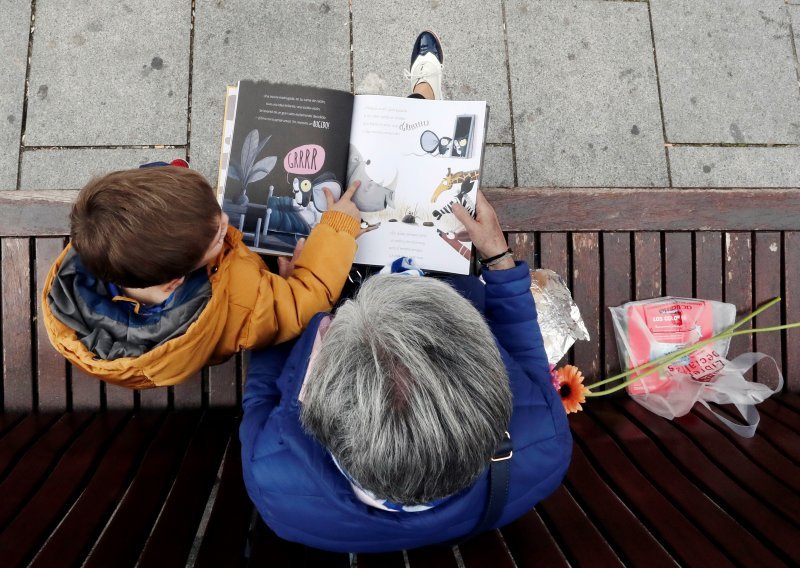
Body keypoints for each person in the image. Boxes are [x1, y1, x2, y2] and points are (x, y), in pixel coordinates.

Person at [240, 181, 572, 551]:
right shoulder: (547, 443)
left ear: (321, 411)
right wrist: (497, 257)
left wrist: (287, 304)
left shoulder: (270, 475)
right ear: (494, 386)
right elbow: (525, 356)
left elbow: (261, 395)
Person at [42, 164, 363, 388]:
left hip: (163, 354)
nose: (225, 217)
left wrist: (174, 182)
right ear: (174, 281)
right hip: (216, 327)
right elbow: (302, 305)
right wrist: (337, 228)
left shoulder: (102, 248)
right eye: (218, 234)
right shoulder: (241, 304)